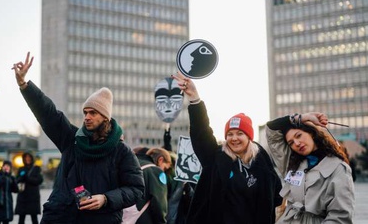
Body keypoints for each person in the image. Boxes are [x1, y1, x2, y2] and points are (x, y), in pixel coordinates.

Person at [12, 52, 145, 224]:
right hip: (61, 218)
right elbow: (49, 114)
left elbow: (136, 189)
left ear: (105, 117)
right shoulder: (71, 139)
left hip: (100, 219)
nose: (87, 117)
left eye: (93, 113)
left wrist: (105, 199)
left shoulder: (121, 151)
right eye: (85, 112)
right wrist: (24, 85)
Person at [171, 72, 283, 224]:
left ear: (249, 137)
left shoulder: (262, 162)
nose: (234, 138)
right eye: (229, 134)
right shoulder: (216, 157)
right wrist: (195, 99)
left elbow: (276, 195)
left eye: (239, 133)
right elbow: (201, 132)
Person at [265, 112, 355, 223]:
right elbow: (271, 129)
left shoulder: (338, 168)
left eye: (299, 135)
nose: (297, 143)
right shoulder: (291, 162)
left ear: (311, 133)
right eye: (291, 143)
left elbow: (340, 217)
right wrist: (303, 117)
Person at [130, 147, 172, 224]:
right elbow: (159, 203)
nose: (164, 171)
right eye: (165, 168)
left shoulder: (130, 163)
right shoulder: (156, 171)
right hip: (142, 219)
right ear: (160, 160)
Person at [15, 151, 44, 224]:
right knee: (21, 218)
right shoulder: (21, 168)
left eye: (29, 157)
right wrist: (21, 178)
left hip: (33, 197)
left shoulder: (36, 168)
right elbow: (17, 180)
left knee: (34, 218)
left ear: (32, 158)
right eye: (26, 157)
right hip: (23, 196)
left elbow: (39, 180)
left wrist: (28, 178)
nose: (27, 159)